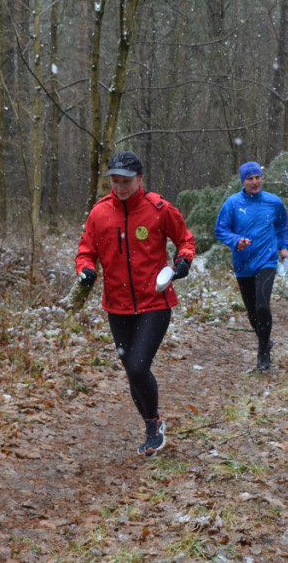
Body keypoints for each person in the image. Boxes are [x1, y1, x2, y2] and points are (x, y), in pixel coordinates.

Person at [75, 150, 196, 457]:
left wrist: (182, 263)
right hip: (116, 305)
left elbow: (185, 240)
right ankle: (151, 425)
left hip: (155, 302)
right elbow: (85, 251)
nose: (120, 187)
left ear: (140, 179)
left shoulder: (159, 209)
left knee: (138, 366)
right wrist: (86, 269)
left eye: (126, 181)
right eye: (115, 181)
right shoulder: (99, 213)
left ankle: (154, 425)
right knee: (132, 370)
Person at [214, 161, 288, 371]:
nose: (255, 182)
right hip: (243, 263)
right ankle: (265, 339)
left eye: (257, 177)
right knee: (252, 313)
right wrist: (235, 240)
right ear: (243, 181)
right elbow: (220, 230)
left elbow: (281, 227)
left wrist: (284, 248)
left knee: (263, 306)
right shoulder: (232, 203)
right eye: (250, 178)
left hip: (266, 260)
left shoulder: (274, 202)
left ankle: (263, 352)